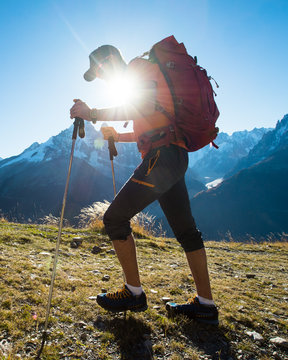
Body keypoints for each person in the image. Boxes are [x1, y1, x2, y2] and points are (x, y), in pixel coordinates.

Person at [70, 45, 219, 325]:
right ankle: (206, 305)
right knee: (187, 232)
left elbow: (143, 106)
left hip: (161, 159)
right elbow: (150, 127)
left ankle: (133, 293)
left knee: (114, 218)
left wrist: (92, 113)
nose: (101, 78)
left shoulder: (138, 69)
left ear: (111, 60)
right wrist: (117, 135)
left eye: (100, 71)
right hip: (172, 156)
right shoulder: (146, 73)